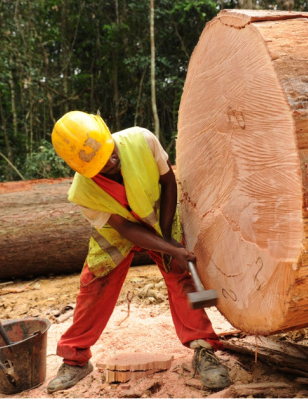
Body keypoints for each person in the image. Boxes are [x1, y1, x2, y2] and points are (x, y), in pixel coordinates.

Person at [47, 111, 231, 393]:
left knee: (181, 274)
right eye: (100, 164)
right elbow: (125, 229)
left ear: (107, 133)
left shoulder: (143, 140)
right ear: (81, 168)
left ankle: (203, 348)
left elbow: (169, 182)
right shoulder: (82, 192)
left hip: (160, 216)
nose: (110, 162)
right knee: (94, 285)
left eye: (109, 152)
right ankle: (75, 360)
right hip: (117, 232)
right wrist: (166, 246)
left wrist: (169, 240)